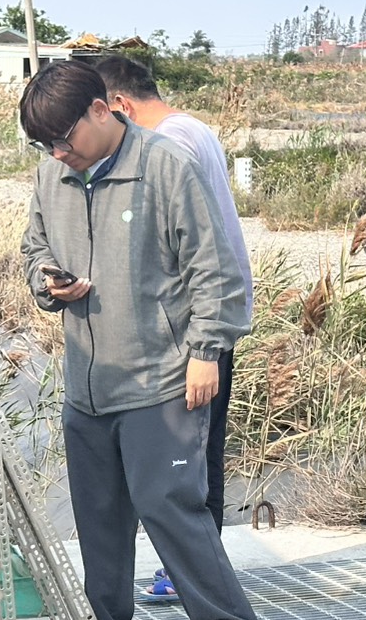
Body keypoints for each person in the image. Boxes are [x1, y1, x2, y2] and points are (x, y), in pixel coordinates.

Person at [18, 60, 274, 620]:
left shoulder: (165, 166)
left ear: (102, 111)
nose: (58, 154)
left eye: (65, 139)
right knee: (97, 514)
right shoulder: (53, 176)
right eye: (45, 145)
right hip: (87, 381)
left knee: (168, 501)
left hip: (161, 375)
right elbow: (33, 249)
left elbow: (216, 269)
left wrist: (206, 352)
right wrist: (48, 284)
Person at [93, 55, 252, 590]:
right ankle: (196, 568)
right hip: (206, 318)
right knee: (200, 448)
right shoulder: (195, 128)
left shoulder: (169, 145)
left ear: (119, 105)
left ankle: (193, 573)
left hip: (192, 326)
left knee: (188, 455)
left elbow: (179, 247)